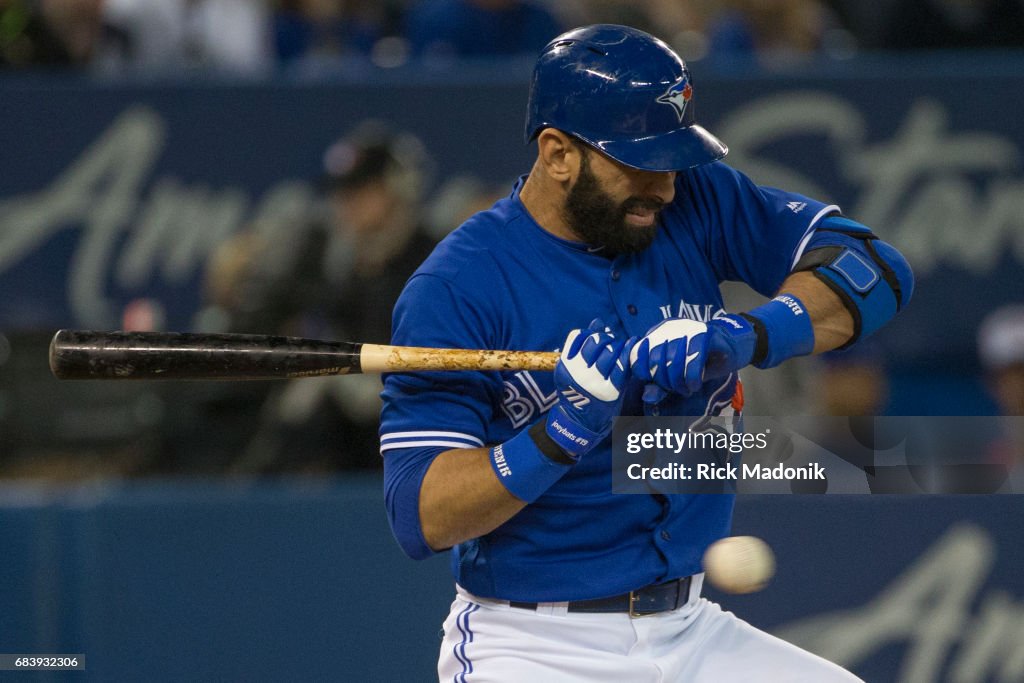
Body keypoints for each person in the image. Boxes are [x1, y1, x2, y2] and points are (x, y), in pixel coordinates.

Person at [380, 24, 913, 681]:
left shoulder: (695, 200)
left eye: (671, 158)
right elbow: (420, 513)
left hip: (690, 627)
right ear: (556, 154)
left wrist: (742, 335)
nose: (663, 186)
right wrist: (561, 433)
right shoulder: (458, 285)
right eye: (638, 161)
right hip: (533, 642)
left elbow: (875, 270)